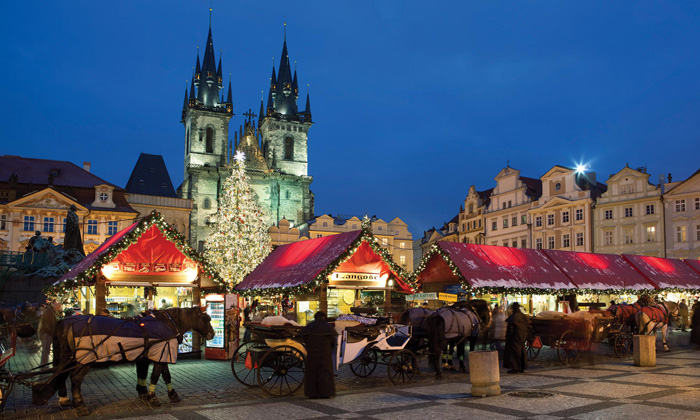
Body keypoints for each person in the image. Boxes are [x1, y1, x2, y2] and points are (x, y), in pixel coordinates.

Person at [299, 311, 338, 398]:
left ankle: (312, 393)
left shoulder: (310, 326)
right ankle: (325, 393)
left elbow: (303, 337)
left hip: (312, 353)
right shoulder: (328, 327)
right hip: (325, 353)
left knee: (312, 372)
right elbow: (333, 341)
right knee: (325, 372)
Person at [504, 302, 529, 374]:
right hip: (522, 336)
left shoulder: (513, 317)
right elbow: (528, 328)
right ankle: (522, 367)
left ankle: (515, 368)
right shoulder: (523, 316)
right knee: (522, 351)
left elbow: (510, 329)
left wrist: (507, 337)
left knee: (514, 352)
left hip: (514, 337)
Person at [39, 300, 61, 366]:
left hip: (47, 333)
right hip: (46, 333)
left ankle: (44, 364)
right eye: (59, 306)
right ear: (55, 306)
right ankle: (44, 364)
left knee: (46, 349)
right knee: (46, 349)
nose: (60, 308)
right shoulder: (49, 312)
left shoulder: (51, 311)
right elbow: (50, 325)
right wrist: (54, 333)